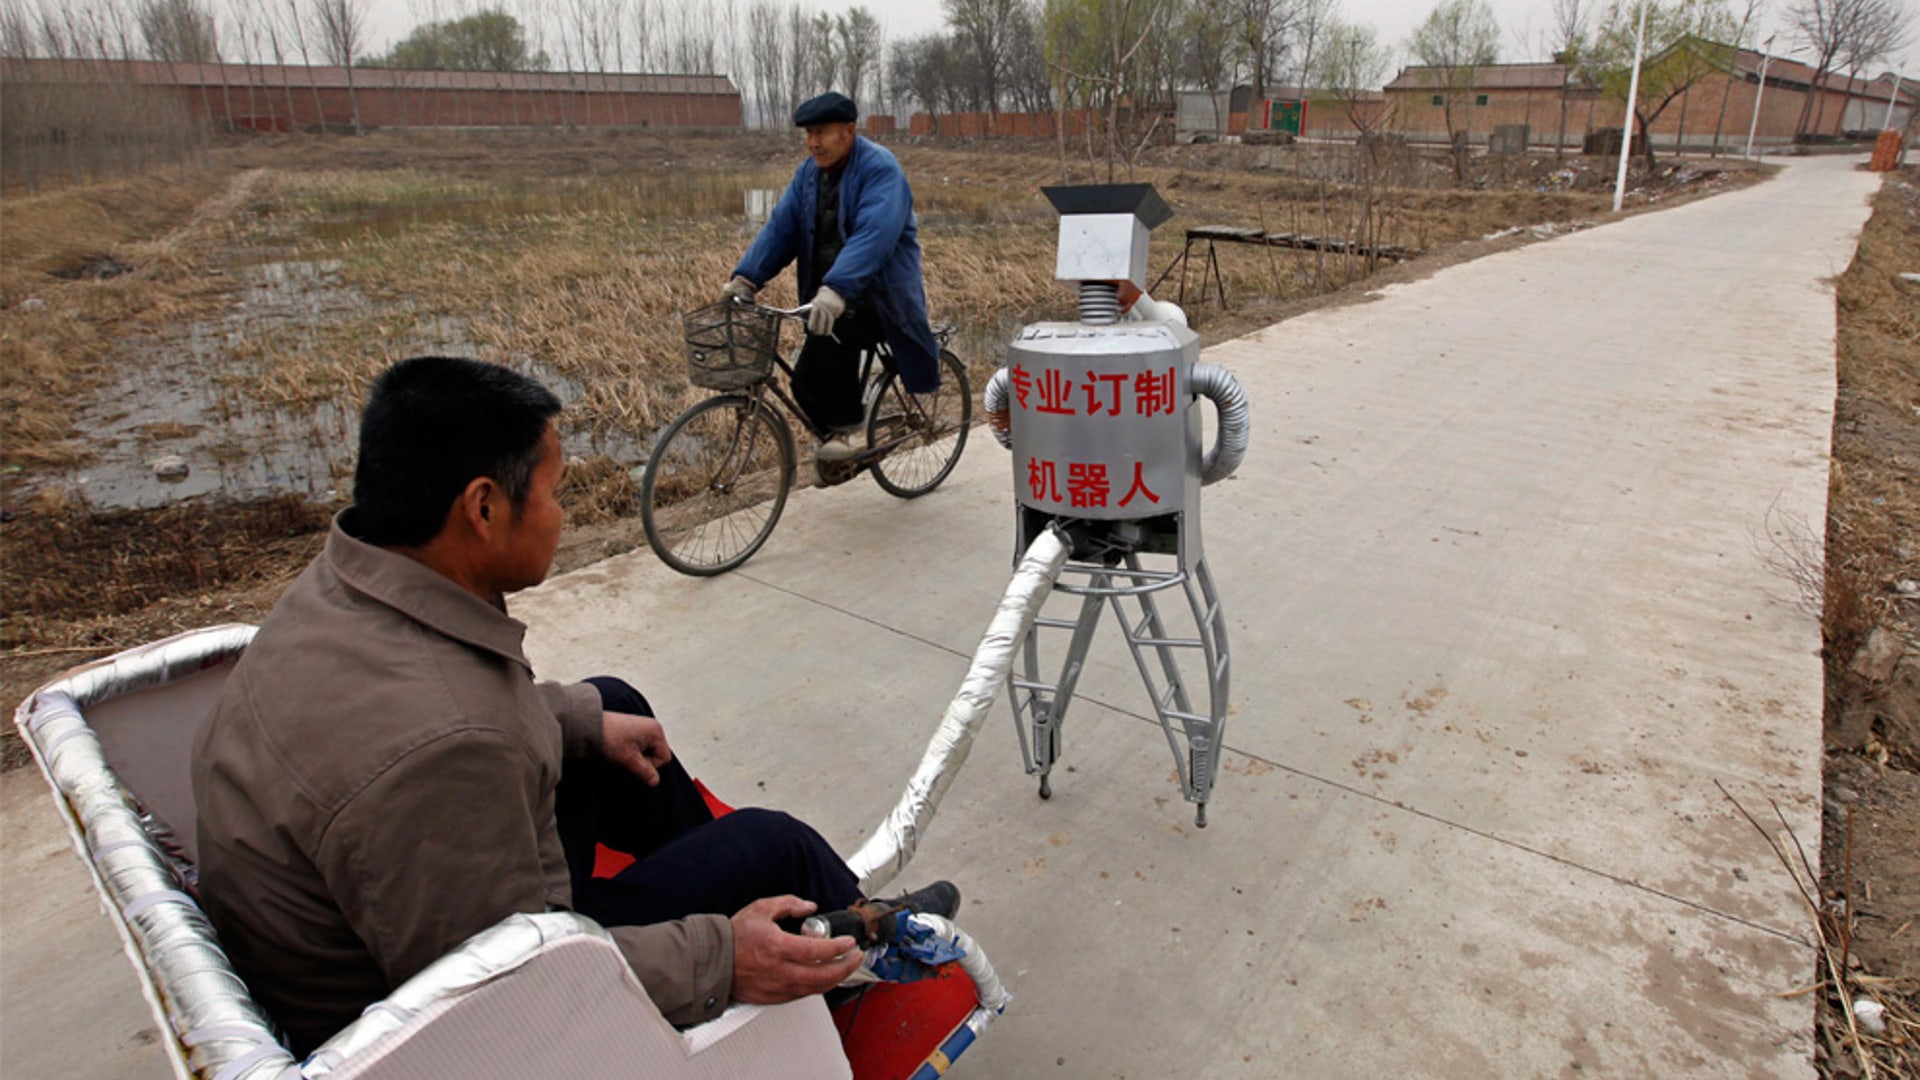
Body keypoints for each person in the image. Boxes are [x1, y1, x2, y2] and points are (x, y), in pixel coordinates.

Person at [191, 356, 953, 1055]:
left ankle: (770, 903)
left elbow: (439, 732)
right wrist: (720, 955)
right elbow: (511, 1000)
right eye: (555, 491)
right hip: (416, 1028)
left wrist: (577, 719)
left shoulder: (341, 586)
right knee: (770, 845)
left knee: (607, 706)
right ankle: (841, 954)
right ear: (482, 509)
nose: (564, 514)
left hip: (391, 920)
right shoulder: (447, 748)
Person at [725, 90, 941, 462]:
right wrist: (746, 278)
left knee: (832, 346)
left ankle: (853, 436)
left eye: (821, 132)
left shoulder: (880, 170)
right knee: (804, 379)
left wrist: (837, 289)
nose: (812, 143)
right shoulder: (809, 174)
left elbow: (874, 235)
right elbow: (782, 227)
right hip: (832, 296)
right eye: (808, 134)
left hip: (879, 295)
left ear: (849, 131)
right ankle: (835, 447)